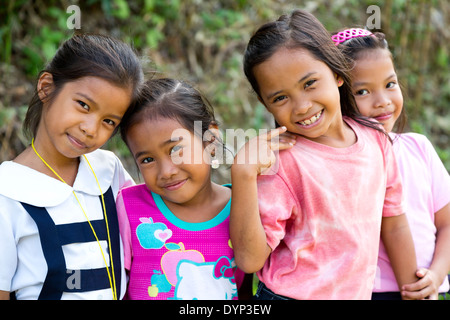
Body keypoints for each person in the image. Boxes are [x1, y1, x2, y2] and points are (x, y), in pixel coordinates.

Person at [230, 9, 419, 300]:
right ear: (265, 104)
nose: (302, 106)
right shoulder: (283, 162)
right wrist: (242, 174)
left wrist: (413, 292)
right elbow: (249, 260)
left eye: (310, 84)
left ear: (336, 72)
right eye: (280, 97)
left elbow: (393, 222)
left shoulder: (376, 140)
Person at [0, 34, 143, 300]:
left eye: (109, 121)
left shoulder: (109, 170)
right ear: (46, 87)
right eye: (83, 105)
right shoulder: (7, 193)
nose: (90, 129)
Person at [334, 28, 450, 300]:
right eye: (362, 91)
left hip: (428, 287)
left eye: (390, 84)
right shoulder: (340, 162)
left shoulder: (418, 148)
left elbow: (446, 223)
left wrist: (437, 273)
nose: (383, 101)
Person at [117, 78, 257, 300]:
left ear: (210, 141)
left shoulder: (242, 208)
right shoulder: (129, 207)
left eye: (176, 150)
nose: (166, 171)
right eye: (147, 159)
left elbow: (246, 291)